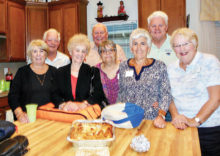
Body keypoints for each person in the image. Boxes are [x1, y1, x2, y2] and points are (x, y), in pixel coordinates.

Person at [168, 28, 220, 156]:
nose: (182, 49)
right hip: (182, 128)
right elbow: (169, 97)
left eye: (186, 43)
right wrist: (175, 116)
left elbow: (216, 98)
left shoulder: (209, 61)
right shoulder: (171, 68)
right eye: (177, 45)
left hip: (209, 130)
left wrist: (195, 121)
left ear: (195, 44)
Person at [117, 28, 172, 128]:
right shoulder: (123, 66)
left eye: (142, 43)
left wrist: (161, 115)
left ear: (148, 48)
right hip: (128, 119)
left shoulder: (159, 66)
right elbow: (121, 93)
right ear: (131, 48)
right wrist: (117, 113)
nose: (139, 47)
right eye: (135, 44)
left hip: (152, 120)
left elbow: (166, 94)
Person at [54, 34, 108, 111]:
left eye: (83, 51)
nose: (80, 54)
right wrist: (63, 105)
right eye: (77, 50)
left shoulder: (93, 72)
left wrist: (85, 104)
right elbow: (54, 94)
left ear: (86, 54)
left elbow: (98, 94)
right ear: (70, 52)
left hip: (86, 115)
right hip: (65, 114)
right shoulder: (60, 72)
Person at [8, 40, 57, 123]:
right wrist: (19, 114)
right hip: (28, 119)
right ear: (30, 55)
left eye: (41, 51)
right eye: (35, 51)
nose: (38, 54)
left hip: (50, 118)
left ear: (46, 54)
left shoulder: (54, 71)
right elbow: (13, 96)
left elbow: (59, 95)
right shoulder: (22, 72)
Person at [97, 40, 120, 104]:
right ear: (100, 54)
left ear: (115, 52)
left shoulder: (124, 67)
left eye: (111, 50)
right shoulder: (96, 70)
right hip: (103, 110)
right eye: (104, 51)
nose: (107, 53)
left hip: (123, 109)